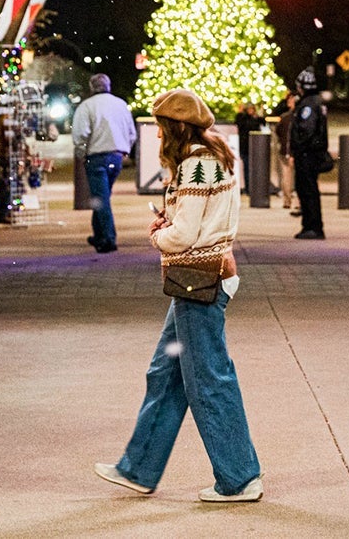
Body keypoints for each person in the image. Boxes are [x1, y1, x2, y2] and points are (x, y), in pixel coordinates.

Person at [95, 88, 263, 503]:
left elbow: (184, 234)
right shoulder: (216, 155)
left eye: (159, 128)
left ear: (175, 128)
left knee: (209, 380)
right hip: (205, 275)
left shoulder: (194, 165)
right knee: (165, 376)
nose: (155, 137)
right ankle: (138, 469)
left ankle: (239, 478)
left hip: (198, 280)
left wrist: (157, 234)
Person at [71, 73, 138, 254]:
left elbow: (81, 134)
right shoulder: (121, 105)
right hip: (116, 157)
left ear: (92, 87)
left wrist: (82, 153)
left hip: (96, 157)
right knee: (102, 196)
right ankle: (99, 234)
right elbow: (132, 134)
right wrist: (125, 151)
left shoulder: (87, 107)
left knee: (101, 199)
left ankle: (108, 239)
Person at [288, 68, 329, 239]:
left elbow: (306, 130)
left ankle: (312, 227)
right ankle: (312, 226)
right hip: (311, 154)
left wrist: (296, 149)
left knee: (307, 190)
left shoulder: (308, 105)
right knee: (308, 189)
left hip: (307, 155)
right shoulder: (315, 102)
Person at [273, 92, 298, 212]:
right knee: (297, 178)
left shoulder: (284, 117)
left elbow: (278, 132)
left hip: (285, 152)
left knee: (286, 177)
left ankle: (287, 201)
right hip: (296, 152)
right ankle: (298, 202)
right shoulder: (300, 117)